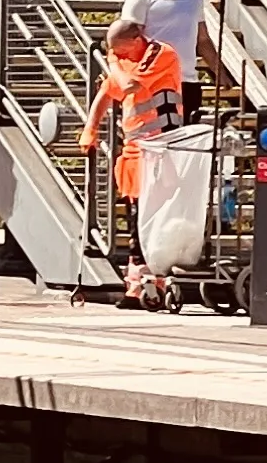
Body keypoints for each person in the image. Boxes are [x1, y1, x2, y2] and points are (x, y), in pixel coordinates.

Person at [80, 16, 187, 304]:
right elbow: (107, 93)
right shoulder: (126, 60)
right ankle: (136, 283)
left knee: (151, 215)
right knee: (133, 215)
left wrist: (112, 61)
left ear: (135, 41)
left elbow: (128, 86)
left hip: (160, 146)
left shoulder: (161, 55)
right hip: (134, 149)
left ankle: (156, 278)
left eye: (121, 49)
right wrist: (91, 128)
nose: (118, 54)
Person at [116, 0, 208, 120]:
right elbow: (125, 39)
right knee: (161, 135)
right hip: (155, 80)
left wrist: (218, 70)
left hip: (187, 80)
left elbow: (202, 38)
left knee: (188, 139)